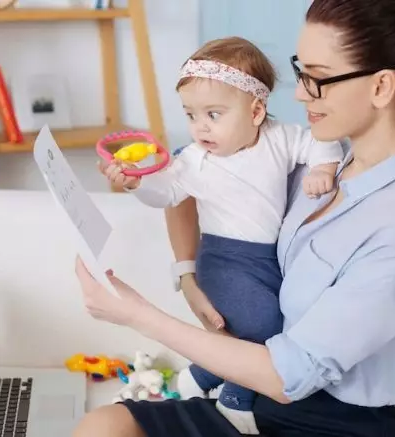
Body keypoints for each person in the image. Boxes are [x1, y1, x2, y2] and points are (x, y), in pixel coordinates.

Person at [75, 0, 395, 435]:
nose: (299, 93)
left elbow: (291, 376)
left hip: (327, 420)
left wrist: (138, 314)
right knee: (103, 427)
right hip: (262, 394)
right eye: (300, 69)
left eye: (318, 78)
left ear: (382, 87)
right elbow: (194, 179)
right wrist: (188, 274)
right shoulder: (324, 165)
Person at [100, 36, 344, 434]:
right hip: (222, 259)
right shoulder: (195, 161)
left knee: (279, 325)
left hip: (268, 260)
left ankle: (199, 375)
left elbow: (321, 143)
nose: (200, 128)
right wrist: (134, 184)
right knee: (264, 327)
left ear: (256, 110)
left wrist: (322, 169)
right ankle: (234, 398)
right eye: (191, 115)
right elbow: (166, 192)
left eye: (213, 114)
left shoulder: (280, 138)